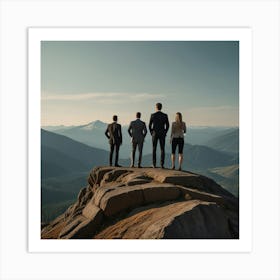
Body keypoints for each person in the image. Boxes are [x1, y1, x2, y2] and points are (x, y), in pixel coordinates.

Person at [148, 103, 169, 168]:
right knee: (162, 149)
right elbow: (167, 125)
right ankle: (162, 164)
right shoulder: (165, 115)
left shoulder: (153, 115)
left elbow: (149, 125)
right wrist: (165, 132)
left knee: (154, 148)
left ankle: (154, 164)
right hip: (162, 133)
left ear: (156, 107)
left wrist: (151, 132)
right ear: (161, 107)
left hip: (155, 133)